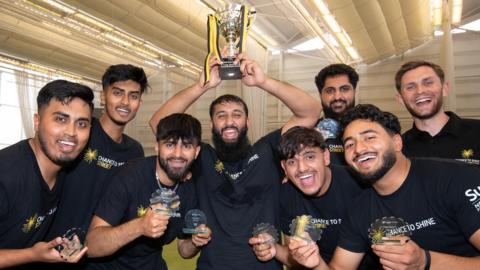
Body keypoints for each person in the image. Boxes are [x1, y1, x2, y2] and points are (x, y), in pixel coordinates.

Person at [149, 53, 320, 270]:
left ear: (247, 121)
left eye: (237, 114)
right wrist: (201, 86)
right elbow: (159, 125)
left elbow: (311, 112)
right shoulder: (202, 156)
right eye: (221, 115)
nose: (229, 121)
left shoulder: (268, 151)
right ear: (212, 123)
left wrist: (263, 81)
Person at [289, 104, 480, 270]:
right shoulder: (360, 209)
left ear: (397, 142)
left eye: (369, 137)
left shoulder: (455, 179)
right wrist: (316, 264)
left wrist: (425, 262)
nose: (359, 149)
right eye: (349, 144)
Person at [85, 113, 211, 269]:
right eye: (170, 145)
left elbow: (184, 251)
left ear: (196, 151)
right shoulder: (131, 176)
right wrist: (140, 226)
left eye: (186, 146)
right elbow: (91, 246)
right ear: (157, 146)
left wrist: (195, 241)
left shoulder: (191, 189)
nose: (178, 154)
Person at [248, 126, 379, 269]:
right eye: (292, 162)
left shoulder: (357, 184)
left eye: (310, 156)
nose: (302, 168)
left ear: (326, 157)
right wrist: (273, 248)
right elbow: (298, 258)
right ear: (284, 168)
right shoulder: (286, 195)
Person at [46, 64, 148, 243]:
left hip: (98, 253)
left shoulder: (135, 151)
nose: (125, 102)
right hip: (54, 245)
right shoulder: (79, 132)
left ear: (139, 103)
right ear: (103, 96)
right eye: (117, 93)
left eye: (133, 96)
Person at [0, 80, 93, 268]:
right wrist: (32, 254)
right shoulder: (6, 175)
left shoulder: (65, 170)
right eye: (61, 119)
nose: (71, 132)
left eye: (82, 124)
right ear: (37, 121)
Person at [395, 60, 480, 166]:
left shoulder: (477, 132)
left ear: (444, 89)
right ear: (401, 99)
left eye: (428, 83)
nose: (420, 91)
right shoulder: (398, 151)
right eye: (410, 87)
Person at [314, 64, 358, 165]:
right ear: (320, 94)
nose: (337, 96)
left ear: (354, 91)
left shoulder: (372, 128)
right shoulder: (309, 133)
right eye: (330, 91)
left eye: (344, 89)